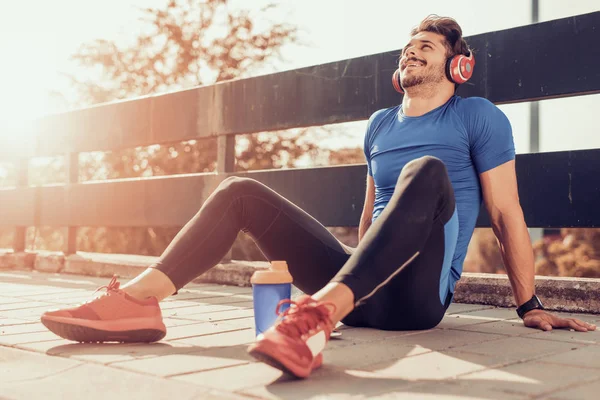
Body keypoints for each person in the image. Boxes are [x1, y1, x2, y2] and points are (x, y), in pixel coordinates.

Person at [41, 15, 596, 379]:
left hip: (416, 301)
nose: (410, 54)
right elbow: (367, 214)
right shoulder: (380, 125)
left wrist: (530, 305)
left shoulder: (478, 116)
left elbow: (506, 212)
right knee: (240, 190)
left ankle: (312, 320)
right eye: (406, 48)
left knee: (426, 171)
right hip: (360, 290)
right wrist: (350, 267)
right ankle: (138, 303)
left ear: (458, 64)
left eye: (424, 47)